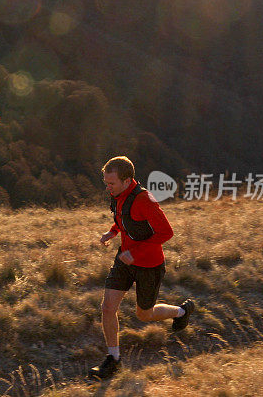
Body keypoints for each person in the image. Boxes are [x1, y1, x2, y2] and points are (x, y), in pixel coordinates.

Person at [88, 156, 194, 381]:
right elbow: (123, 219)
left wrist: (135, 253)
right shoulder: (117, 195)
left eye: (111, 183)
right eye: (106, 182)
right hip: (124, 261)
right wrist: (112, 232)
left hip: (149, 266)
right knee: (108, 307)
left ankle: (181, 311)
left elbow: (166, 233)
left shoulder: (146, 200)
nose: (108, 187)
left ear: (127, 181)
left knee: (144, 315)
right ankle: (113, 359)